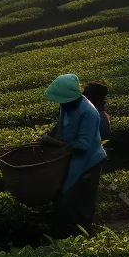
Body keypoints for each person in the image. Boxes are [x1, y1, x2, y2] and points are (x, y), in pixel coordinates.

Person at [43, 73, 107, 236]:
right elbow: (60, 127)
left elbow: (82, 146)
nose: (61, 104)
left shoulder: (89, 113)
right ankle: (66, 235)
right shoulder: (66, 106)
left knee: (78, 200)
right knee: (63, 197)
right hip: (71, 160)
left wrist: (54, 143)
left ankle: (85, 236)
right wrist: (49, 136)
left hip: (89, 162)